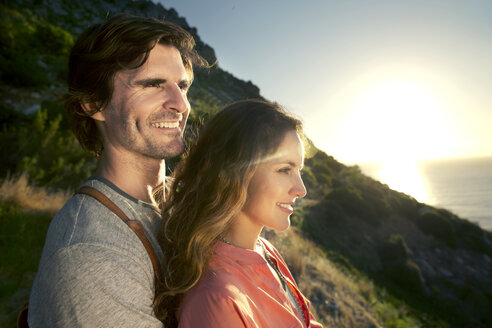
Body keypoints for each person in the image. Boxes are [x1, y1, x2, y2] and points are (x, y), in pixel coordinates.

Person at [28, 14, 207, 327]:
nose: (180, 104)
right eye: (152, 84)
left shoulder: (185, 202)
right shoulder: (90, 255)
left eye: (183, 86)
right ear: (92, 102)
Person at [155, 99, 323, 327]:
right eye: (285, 169)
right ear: (236, 173)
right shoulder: (218, 300)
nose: (301, 189)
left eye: (299, 170)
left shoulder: (265, 250)